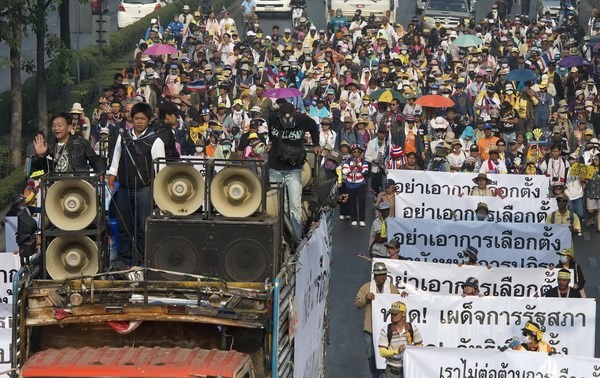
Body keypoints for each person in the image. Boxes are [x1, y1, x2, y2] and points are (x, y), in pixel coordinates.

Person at [107, 103, 166, 267]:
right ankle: (124, 259)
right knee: (123, 227)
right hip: (124, 188)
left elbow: (161, 169)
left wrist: (158, 193)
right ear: (131, 119)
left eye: (143, 118)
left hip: (144, 189)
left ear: (149, 120)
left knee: (142, 228)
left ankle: (141, 260)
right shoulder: (123, 136)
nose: (139, 121)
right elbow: (115, 158)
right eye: (136, 118)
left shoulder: (155, 140)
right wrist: (111, 177)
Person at [267, 101, 320, 244]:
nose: (287, 121)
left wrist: (316, 144)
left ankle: (297, 239)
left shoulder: (302, 119)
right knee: (278, 206)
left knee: (294, 206)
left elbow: (314, 127)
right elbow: (270, 129)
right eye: (284, 119)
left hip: (293, 169)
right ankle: (280, 238)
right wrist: (270, 142)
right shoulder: (272, 117)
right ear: (279, 116)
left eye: (290, 119)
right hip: (275, 168)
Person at [355, 262, 400, 378]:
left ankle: (383, 376)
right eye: (379, 275)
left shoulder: (392, 289)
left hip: (387, 330)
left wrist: (404, 296)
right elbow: (357, 303)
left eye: (384, 274)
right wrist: (366, 298)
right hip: (370, 329)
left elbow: (399, 304)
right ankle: (375, 375)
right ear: (374, 275)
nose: (382, 277)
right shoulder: (367, 287)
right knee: (371, 355)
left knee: (386, 355)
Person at [31, 113, 105, 173]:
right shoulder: (49, 146)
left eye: (60, 125)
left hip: (77, 185)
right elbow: (40, 171)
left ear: (69, 128)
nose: (56, 128)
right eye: (54, 125)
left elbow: (96, 161)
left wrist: (101, 175)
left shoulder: (81, 143)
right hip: (55, 187)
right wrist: (40, 156)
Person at [378, 301, 423, 378]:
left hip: (409, 369)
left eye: (396, 314)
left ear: (403, 314)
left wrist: (412, 349)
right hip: (392, 370)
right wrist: (397, 351)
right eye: (392, 313)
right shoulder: (385, 330)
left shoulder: (412, 328)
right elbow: (382, 352)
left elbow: (419, 346)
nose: (393, 316)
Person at [342, 144, 369, 226]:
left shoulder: (363, 161)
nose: (356, 153)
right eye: (354, 151)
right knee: (352, 201)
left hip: (361, 183)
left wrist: (358, 166)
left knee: (362, 201)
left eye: (358, 151)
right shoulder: (348, 161)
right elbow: (344, 171)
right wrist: (352, 167)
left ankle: (362, 219)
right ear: (351, 153)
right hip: (350, 183)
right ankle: (353, 218)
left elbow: (366, 171)